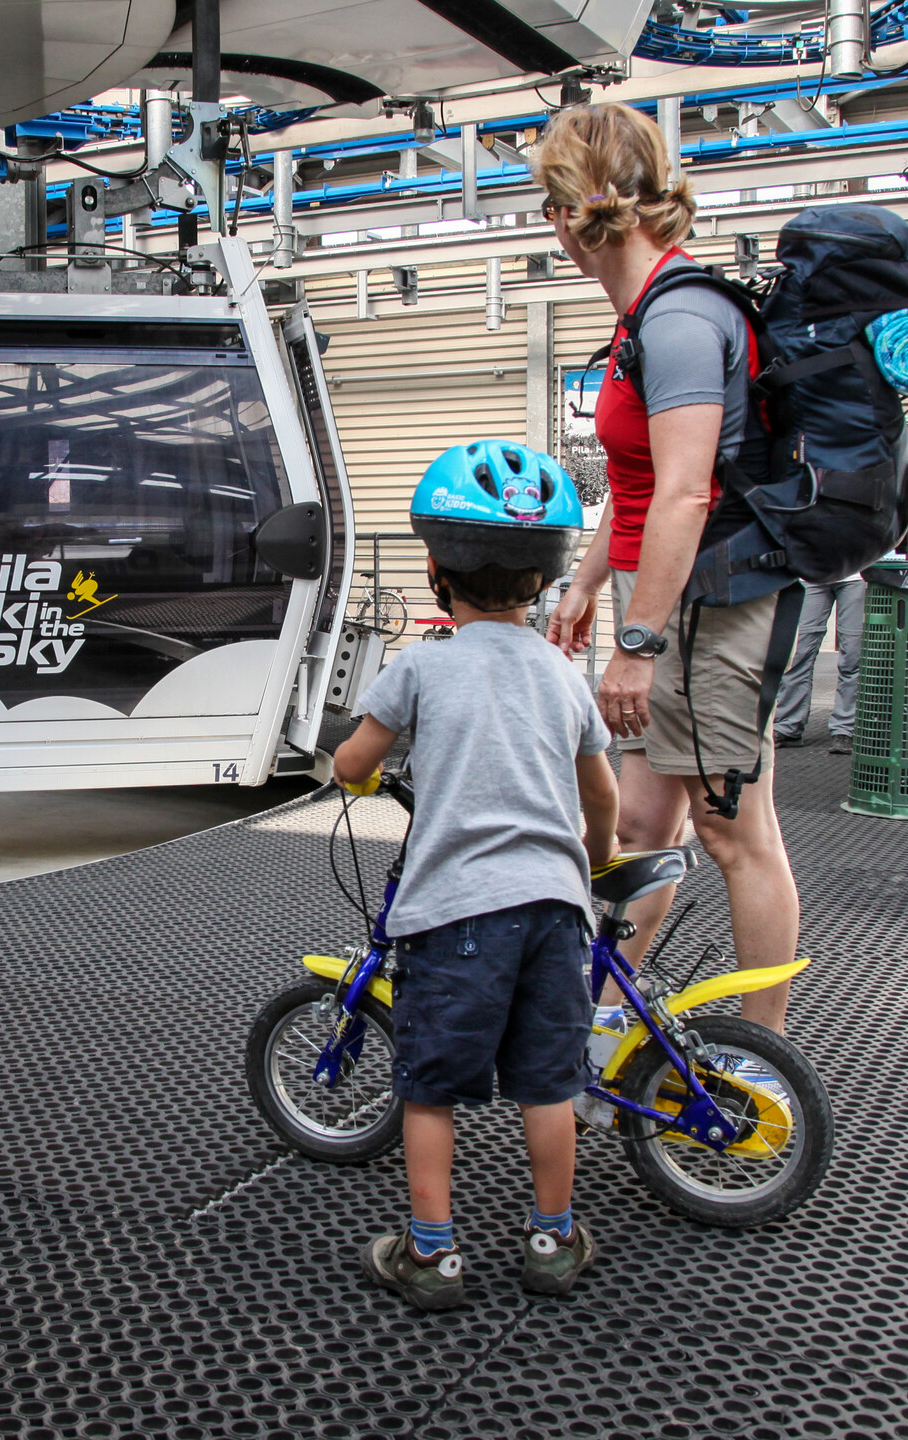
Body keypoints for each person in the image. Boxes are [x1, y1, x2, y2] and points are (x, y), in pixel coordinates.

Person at [332, 441, 619, 1313]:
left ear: (433, 570)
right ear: (543, 580)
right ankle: (552, 1239)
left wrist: (352, 768)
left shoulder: (420, 665)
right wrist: (596, 857)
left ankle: (433, 1256)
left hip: (455, 914)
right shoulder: (563, 674)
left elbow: (354, 762)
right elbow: (599, 791)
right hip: (554, 913)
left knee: (431, 1086)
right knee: (549, 1083)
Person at [539, 103, 802, 1035]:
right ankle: (603, 1026)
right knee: (642, 829)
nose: (549, 226)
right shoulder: (639, 318)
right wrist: (588, 579)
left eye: (548, 203)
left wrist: (637, 648)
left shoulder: (683, 316)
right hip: (666, 604)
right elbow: (642, 480)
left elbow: (690, 495)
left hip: (716, 604)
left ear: (580, 207)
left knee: (737, 835)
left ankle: (764, 1058)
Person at [773, 575, 867, 753]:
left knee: (853, 658)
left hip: (855, 574)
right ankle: (787, 726)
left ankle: (845, 729)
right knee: (796, 655)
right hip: (811, 574)